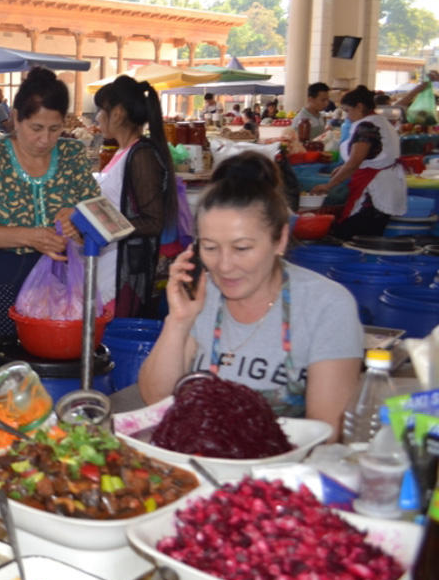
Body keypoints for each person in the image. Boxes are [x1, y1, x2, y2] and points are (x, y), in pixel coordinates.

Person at [137, 153, 362, 434]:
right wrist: (178, 322)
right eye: (210, 247)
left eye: (242, 248)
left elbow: (323, 432)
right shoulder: (202, 295)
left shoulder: (326, 305)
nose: (225, 265)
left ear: (279, 239)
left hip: (282, 471)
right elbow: (155, 400)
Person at [0, 67, 101, 344]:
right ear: (16, 119)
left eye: (55, 129)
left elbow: (107, 220)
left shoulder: (73, 156)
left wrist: (81, 219)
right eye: (36, 128)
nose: (45, 139)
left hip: (58, 290)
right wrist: (32, 237)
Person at [93, 75, 178, 319]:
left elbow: (153, 221)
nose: (98, 117)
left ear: (117, 113)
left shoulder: (142, 155)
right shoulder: (123, 152)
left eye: (101, 110)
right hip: (108, 267)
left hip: (125, 275)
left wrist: (105, 227)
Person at [311, 85, 407, 238]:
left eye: (348, 110)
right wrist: (343, 167)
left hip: (375, 189)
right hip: (386, 183)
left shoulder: (367, 127)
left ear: (360, 106)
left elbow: (354, 163)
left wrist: (328, 186)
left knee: (354, 235)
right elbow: (369, 156)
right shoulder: (380, 121)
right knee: (368, 236)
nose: (347, 116)